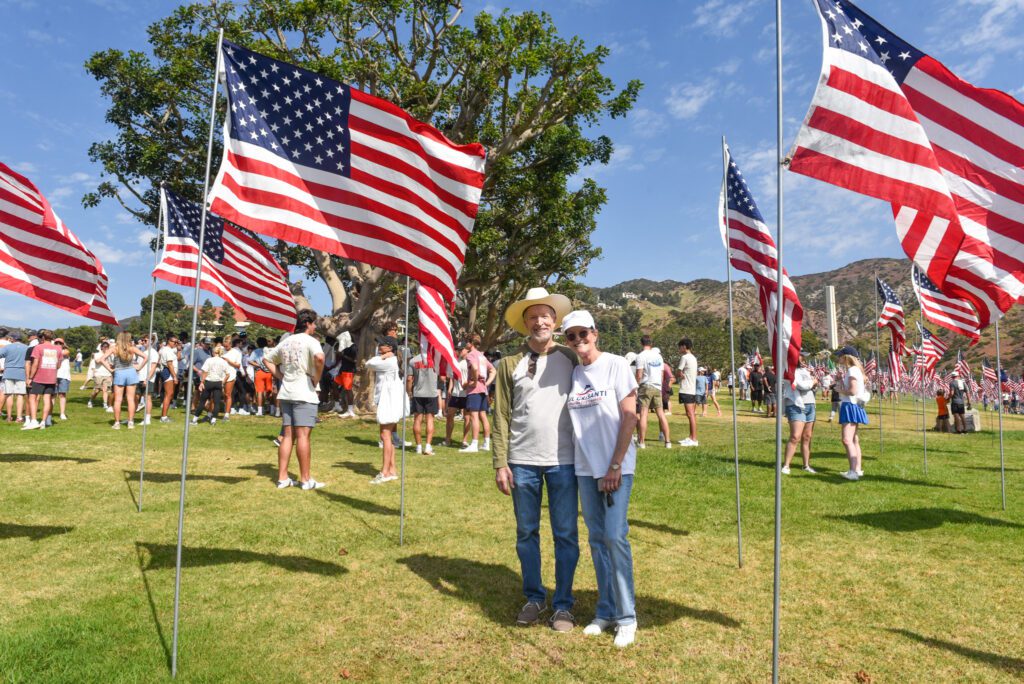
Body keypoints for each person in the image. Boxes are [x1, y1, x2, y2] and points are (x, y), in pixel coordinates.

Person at [492, 287, 579, 632]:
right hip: (521, 460)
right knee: (527, 531)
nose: (539, 321)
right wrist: (500, 462)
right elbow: (499, 415)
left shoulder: (572, 359)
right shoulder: (508, 365)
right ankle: (534, 597)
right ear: (525, 323)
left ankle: (563, 605)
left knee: (566, 533)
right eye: (532, 316)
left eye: (545, 315)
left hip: (565, 461)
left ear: (554, 321)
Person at [562, 310, 639, 648]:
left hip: (615, 466)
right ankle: (605, 610)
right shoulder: (576, 373)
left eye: (584, 333)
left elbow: (630, 415)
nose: (579, 340)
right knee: (596, 539)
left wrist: (615, 464)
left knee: (615, 536)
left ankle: (627, 617)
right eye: (572, 336)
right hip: (584, 467)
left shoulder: (616, 364)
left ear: (596, 333)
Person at [264, 310, 326, 490]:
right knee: (303, 436)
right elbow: (320, 358)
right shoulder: (311, 341)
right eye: (314, 323)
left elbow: (267, 359)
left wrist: (280, 376)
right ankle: (305, 479)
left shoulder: (286, 341)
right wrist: (317, 377)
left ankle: (283, 478)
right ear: (308, 323)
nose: (315, 327)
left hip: (287, 392)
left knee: (287, 436)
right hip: (304, 391)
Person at [365, 336, 407, 483]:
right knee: (388, 436)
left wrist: (383, 356)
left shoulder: (389, 361)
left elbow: (369, 363)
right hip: (388, 400)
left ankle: (385, 472)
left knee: (385, 435)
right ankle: (392, 469)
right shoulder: (389, 360)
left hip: (388, 401)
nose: (379, 347)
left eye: (381, 345)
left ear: (390, 348)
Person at [782, 352, 819, 474]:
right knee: (795, 436)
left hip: (810, 404)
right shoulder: (789, 370)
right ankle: (786, 465)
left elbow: (811, 386)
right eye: (800, 355)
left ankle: (806, 465)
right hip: (796, 404)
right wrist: (813, 382)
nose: (802, 358)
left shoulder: (805, 370)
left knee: (807, 437)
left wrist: (814, 383)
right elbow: (802, 385)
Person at [836, 347, 869, 481]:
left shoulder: (852, 370)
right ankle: (857, 469)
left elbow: (852, 391)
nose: (838, 358)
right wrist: (840, 381)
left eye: (840, 356)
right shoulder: (855, 370)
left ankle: (853, 471)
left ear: (846, 357)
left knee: (847, 439)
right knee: (854, 439)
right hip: (854, 405)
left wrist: (839, 389)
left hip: (850, 405)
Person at [460, 334, 495, 453]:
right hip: (483, 389)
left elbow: (474, 368)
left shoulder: (471, 355)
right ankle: (486, 443)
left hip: (474, 390)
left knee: (474, 416)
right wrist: (487, 383)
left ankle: (474, 444)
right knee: (483, 416)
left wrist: (474, 382)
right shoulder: (482, 356)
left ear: (470, 343)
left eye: (466, 342)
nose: (465, 345)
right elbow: (493, 371)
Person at [635, 335, 670, 449]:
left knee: (644, 414)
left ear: (641, 343)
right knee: (661, 414)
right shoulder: (658, 357)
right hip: (657, 386)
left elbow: (639, 375)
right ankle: (668, 442)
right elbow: (661, 374)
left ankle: (642, 442)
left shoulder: (640, 356)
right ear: (651, 343)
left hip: (646, 386)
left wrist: (636, 386)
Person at [104, 332, 145, 430]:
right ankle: (130, 422)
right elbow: (146, 357)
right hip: (131, 373)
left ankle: (117, 423)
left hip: (119, 373)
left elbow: (101, 359)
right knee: (131, 399)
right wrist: (139, 367)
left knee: (118, 400)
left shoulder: (114, 349)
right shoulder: (132, 348)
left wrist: (110, 370)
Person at [24, 330, 61, 430]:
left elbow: (35, 364)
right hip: (52, 377)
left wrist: (30, 377)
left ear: (43, 338)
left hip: (39, 377)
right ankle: (44, 422)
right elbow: (58, 365)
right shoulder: (58, 349)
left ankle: (34, 420)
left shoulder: (38, 347)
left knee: (32, 397)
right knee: (47, 399)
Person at [408, 350, 439, 455]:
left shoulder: (413, 361)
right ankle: (428, 447)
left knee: (417, 419)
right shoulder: (436, 360)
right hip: (432, 393)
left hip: (418, 393)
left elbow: (409, 379)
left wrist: (409, 392)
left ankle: (418, 447)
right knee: (430, 419)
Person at [192, 344, 231, 424]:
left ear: (213, 352)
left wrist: (202, 382)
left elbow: (205, 372)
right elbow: (228, 374)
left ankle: (194, 420)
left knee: (202, 401)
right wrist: (223, 382)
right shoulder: (223, 361)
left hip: (209, 382)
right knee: (216, 402)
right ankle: (213, 420)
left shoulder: (209, 360)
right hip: (218, 382)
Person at [0, 331, 28, 424]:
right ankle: (19, 417)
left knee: (9, 395)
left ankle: (9, 417)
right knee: (20, 395)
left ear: (12, 339)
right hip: (21, 372)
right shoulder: (26, 348)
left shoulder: (7, 347)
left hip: (9, 372)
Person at [445, 342, 470, 447]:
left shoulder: (469, 361)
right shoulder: (454, 362)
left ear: (466, 349)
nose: (459, 351)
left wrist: (468, 384)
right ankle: (448, 439)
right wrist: (450, 389)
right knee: (450, 415)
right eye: (457, 349)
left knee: (467, 417)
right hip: (455, 393)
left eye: (461, 349)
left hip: (466, 393)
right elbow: (452, 377)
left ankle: (464, 440)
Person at [676, 338, 698, 447]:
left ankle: (694, 439)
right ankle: (691, 437)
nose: (679, 349)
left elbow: (678, 372)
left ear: (684, 346)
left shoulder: (684, 357)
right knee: (691, 415)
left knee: (690, 415)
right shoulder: (693, 358)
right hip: (692, 389)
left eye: (680, 347)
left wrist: (680, 374)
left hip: (686, 389)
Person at [157, 336, 179, 422]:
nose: (175, 344)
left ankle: (164, 415)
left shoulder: (165, 349)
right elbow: (170, 364)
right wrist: (174, 376)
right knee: (169, 394)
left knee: (169, 394)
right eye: (174, 342)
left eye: (176, 342)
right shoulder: (168, 351)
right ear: (168, 341)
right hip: (168, 372)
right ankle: (163, 417)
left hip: (166, 371)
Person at [334, 343, 357, 418]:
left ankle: (350, 410)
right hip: (342, 370)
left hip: (349, 371)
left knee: (348, 389)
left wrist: (343, 355)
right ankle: (337, 405)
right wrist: (338, 355)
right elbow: (338, 359)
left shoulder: (353, 347)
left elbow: (355, 360)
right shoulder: (343, 346)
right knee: (334, 385)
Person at [90, 342, 114, 411]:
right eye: (104, 347)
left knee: (105, 390)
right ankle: (91, 400)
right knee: (97, 390)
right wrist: (105, 356)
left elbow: (111, 364)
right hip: (99, 374)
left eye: (107, 347)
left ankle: (105, 403)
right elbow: (97, 361)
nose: (106, 348)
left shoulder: (110, 356)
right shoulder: (97, 354)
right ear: (101, 347)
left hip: (107, 374)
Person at [55, 340, 71, 420]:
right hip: (53, 375)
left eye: (60, 343)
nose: (58, 344)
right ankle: (49, 412)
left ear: (63, 344)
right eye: (56, 343)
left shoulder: (66, 351)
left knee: (62, 394)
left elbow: (64, 353)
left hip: (63, 375)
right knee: (52, 395)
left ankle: (62, 413)